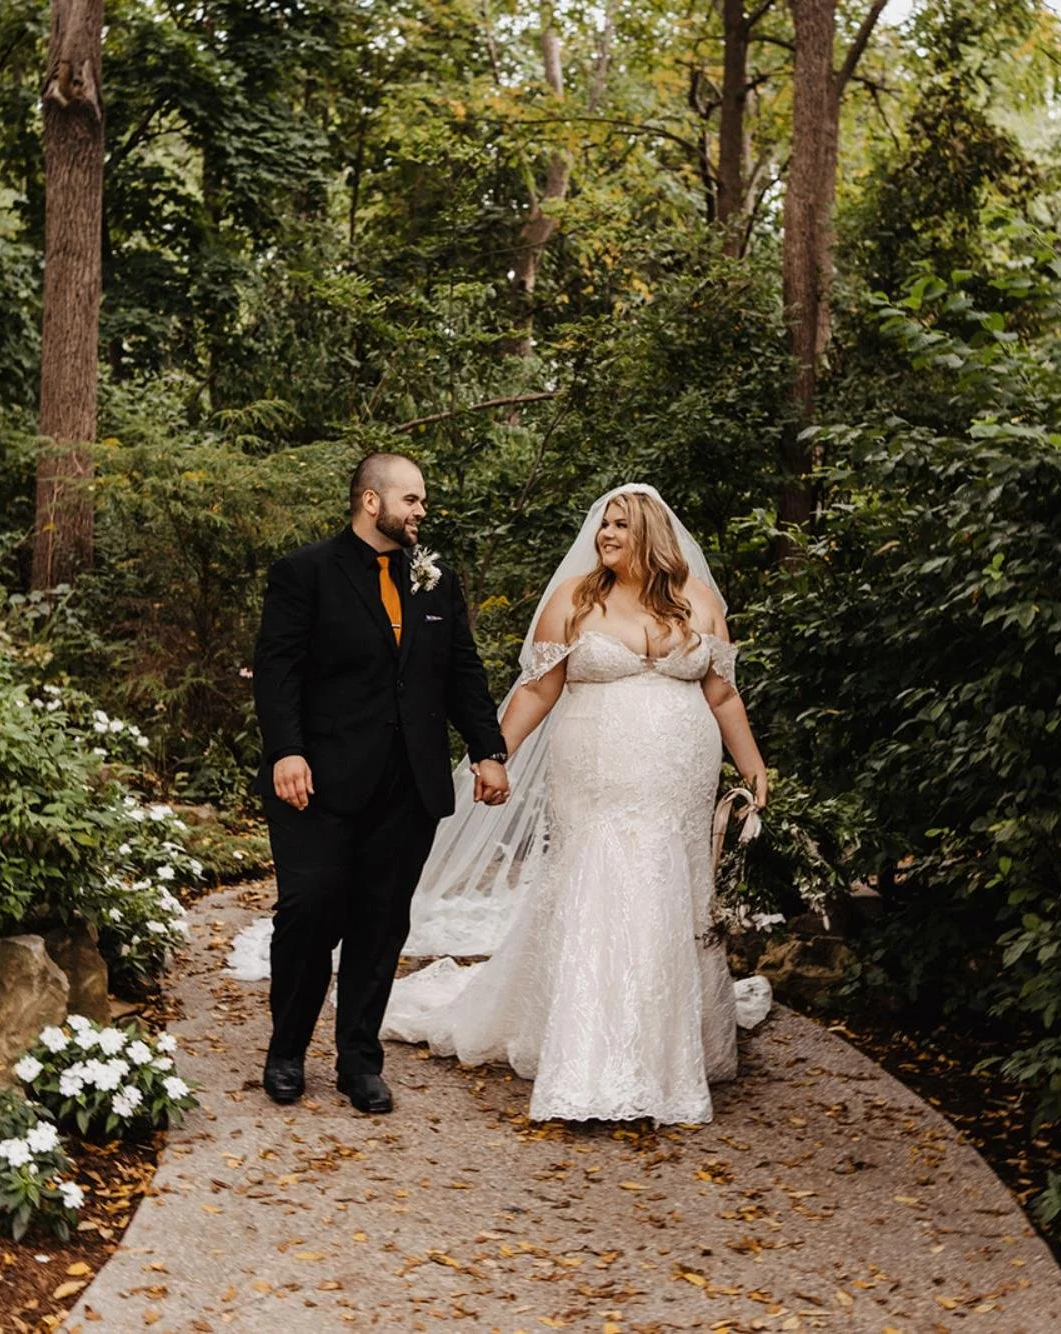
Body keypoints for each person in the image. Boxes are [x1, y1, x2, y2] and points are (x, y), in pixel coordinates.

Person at [384, 484, 768, 1124]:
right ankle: (589, 1058)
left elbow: (722, 696)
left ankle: (669, 1050)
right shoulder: (575, 600)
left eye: (620, 525)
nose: (606, 535)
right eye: (603, 525)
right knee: (603, 885)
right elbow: (536, 692)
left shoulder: (698, 602)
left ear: (649, 532)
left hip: (679, 780)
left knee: (670, 890)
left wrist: (753, 766)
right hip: (598, 775)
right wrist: (494, 755)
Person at [251, 452, 510, 1114]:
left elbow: (461, 670)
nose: (422, 511)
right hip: (318, 781)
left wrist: (488, 749)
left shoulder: (435, 580)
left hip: (408, 785)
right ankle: (286, 1052)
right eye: (412, 499)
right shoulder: (304, 573)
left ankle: (359, 1062)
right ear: (373, 502)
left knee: (381, 922)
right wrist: (286, 750)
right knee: (309, 912)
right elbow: (277, 670)